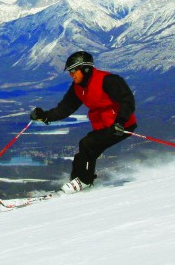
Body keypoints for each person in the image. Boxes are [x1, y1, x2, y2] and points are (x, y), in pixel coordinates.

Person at [30, 51, 137, 194]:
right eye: (69, 71)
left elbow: (127, 101)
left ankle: (84, 182)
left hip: (120, 126)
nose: (71, 74)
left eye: (74, 70)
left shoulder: (108, 80)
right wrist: (45, 116)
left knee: (88, 144)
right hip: (104, 126)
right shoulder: (78, 87)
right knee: (85, 152)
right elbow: (65, 108)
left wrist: (120, 122)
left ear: (85, 69)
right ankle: (79, 182)